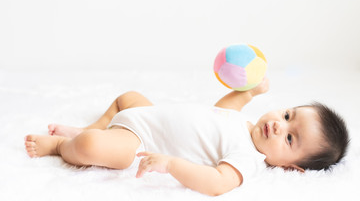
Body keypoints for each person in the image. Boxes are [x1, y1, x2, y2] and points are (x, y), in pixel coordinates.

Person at [24, 78, 349, 196]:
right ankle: (90, 127)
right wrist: (248, 91)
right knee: (129, 96)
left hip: (139, 138)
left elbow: (218, 183)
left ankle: (63, 144)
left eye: (290, 139)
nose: (279, 125)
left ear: (291, 168)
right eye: (288, 115)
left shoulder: (249, 159)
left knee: (94, 148)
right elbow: (220, 111)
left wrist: (172, 164)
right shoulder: (247, 123)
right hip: (146, 113)